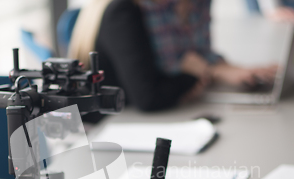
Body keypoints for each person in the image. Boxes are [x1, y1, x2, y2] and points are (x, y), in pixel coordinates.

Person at [68, 0, 276, 112]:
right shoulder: (123, 11)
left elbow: (197, 55)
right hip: (107, 127)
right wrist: (202, 74)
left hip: (155, 117)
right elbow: (149, 97)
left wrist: (230, 69)